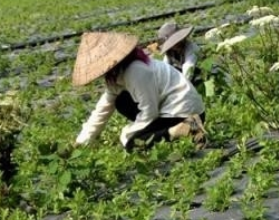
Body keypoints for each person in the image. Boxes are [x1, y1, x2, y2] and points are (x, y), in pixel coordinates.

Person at [73, 31, 206, 151]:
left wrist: (129, 133)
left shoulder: (135, 71)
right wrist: (82, 140)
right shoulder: (117, 75)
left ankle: (184, 128)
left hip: (183, 111)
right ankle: (168, 129)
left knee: (133, 144)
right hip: (168, 108)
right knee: (121, 101)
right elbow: (103, 108)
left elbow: (149, 111)